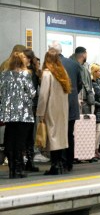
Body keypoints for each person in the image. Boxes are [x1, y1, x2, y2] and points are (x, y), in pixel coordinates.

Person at [0, 51, 36, 178]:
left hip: (8, 114)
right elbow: (32, 92)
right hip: (23, 113)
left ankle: (11, 168)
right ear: (22, 62)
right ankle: (19, 169)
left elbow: (1, 92)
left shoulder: (4, 75)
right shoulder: (25, 74)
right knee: (20, 142)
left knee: (9, 140)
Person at [36, 48, 71, 176]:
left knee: (52, 137)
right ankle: (60, 164)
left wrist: (40, 112)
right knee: (60, 137)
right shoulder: (63, 73)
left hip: (50, 108)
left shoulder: (47, 73)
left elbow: (43, 95)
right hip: (62, 109)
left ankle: (54, 166)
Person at [54, 42, 83, 172]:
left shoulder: (52, 65)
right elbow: (79, 84)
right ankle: (69, 163)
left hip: (57, 105)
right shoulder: (74, 64)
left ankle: (58, 162)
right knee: (69, 134)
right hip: (71, 104)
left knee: (57, 134)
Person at [23, 49, 41, 172]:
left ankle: (26, 161)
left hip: (27, 106)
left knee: (26, 135)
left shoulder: (28, 72)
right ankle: (29, 161)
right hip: (32, 106)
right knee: (29, 135)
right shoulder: (35, 72)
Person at [73, 47, 94, 115]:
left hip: (85, 100)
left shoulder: (84, 68)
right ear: (84, 55)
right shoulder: (76, 67)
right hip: (80, 100)